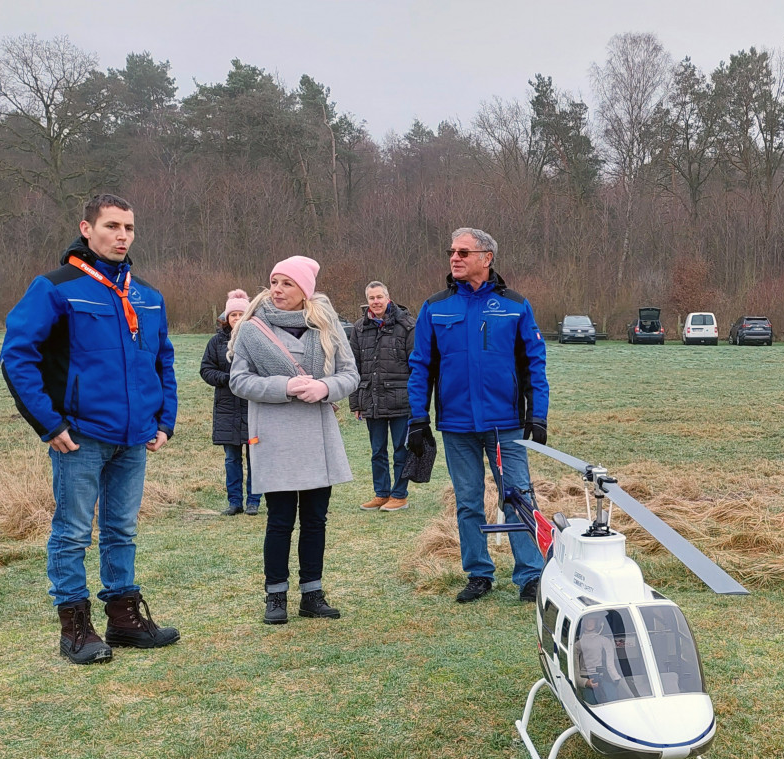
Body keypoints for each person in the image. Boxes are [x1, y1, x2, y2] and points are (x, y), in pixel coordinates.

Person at [1, 193, 180, 665]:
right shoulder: (56, 288)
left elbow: (163, 360)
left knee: (121, 529)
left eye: (129, 228)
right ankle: (75, 627)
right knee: (73, 532)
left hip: (135, 437)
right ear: (87, 228)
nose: (122, 236)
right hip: (79, 436)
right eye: (112, 226)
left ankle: (124, 619)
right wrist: (48, 422)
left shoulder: (147, 295)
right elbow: (17, 356)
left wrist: (165, 420)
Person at [406, 227, 549, 604]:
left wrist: (538, 415)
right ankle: (478, 573)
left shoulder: (516, 305)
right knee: (467, 500)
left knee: (517, 497)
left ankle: (532, 575)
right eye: (452, 251)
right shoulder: (435, 307)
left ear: (487, 258)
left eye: (464, 252)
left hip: (505, 425)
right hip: (456, 425)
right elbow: (420, 366)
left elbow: (535, 363)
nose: (455, 258)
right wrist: (417, 419)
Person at [228, 256, 359, 625]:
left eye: (287, 283)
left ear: (305, 290)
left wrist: (324, 386)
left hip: (318, 437)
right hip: (274, 437)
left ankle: (312, 594)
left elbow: (350, 375)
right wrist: (283, 387)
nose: (277, 289)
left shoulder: (326, 326)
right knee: (280, 520)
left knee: (316, 519)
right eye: (274, 281)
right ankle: (276, 597)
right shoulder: (252, 330)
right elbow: (238, 381)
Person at [349, 281, 416, 512]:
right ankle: (381, 493)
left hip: (401, 399)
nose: (375, 302)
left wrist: (418, 401)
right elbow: (353, 367)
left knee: (401, 449)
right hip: (371, 398)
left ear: (388, 298)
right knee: (377, 451)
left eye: (379, 297)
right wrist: (356, 401)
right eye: (371, 298)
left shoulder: (407, 325)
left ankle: (399, 495)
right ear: (367, 301)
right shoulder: (359, 328)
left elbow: (416, 366)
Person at [200, 290, 262, 516]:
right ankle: (234, 501)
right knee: (231, 458)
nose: (236, 318)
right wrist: (227, 380)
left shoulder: (258, 339)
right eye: (233, 314)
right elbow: (206, 370)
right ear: (226, 317)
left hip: (252, 406)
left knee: (255, 457)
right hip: (226, 408)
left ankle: (254, 501)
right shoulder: (216, 342)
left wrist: (249, 383)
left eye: (240, 314)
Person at [575, 612, 625, 704]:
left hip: (604, 677)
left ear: (598, 622)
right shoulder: (578, 645)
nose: (588, 623)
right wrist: (585, 682)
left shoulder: (605, 641)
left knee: (612, 700)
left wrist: (617, 679)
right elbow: (575, 670)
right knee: (590, 703)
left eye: (592, 620)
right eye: (586, 620)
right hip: (587, 677)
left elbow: (610, 665)